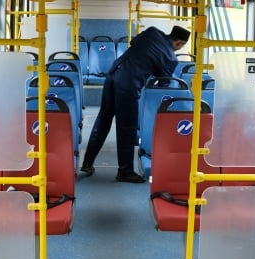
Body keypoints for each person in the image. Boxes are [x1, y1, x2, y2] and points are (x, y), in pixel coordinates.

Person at [80, 25, 190, 183]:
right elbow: (163, 84)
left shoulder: (153, 31)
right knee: (127, 127)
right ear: (180, 44)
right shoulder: (170, 58)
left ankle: (87, 162)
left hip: (113, 73)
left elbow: (134, 42)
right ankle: (125, 171)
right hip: (128, 84)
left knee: (103, 119)